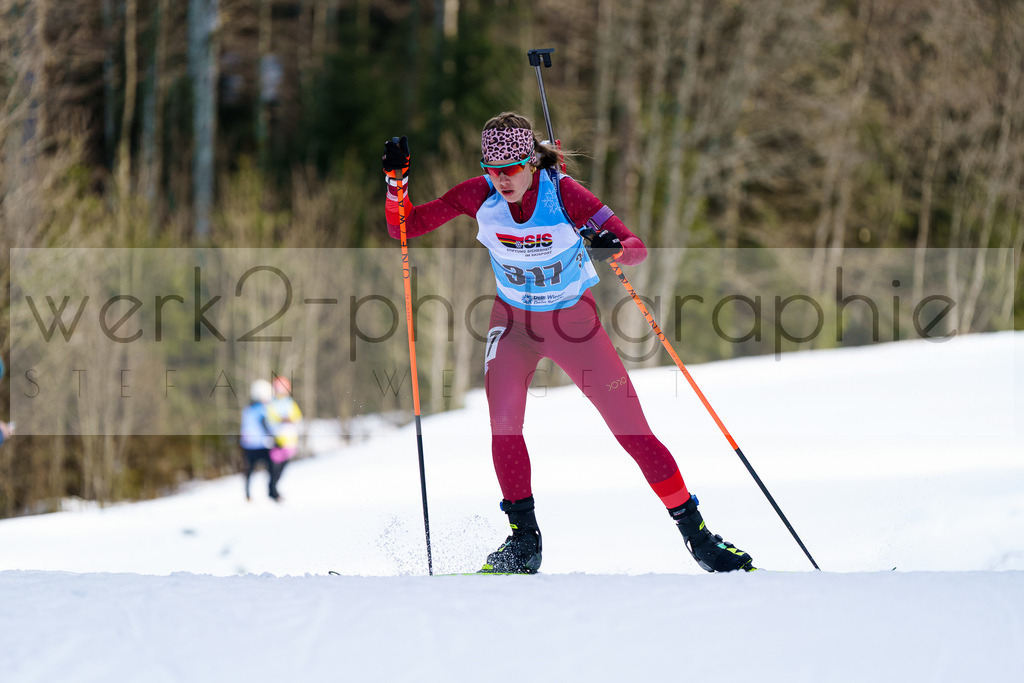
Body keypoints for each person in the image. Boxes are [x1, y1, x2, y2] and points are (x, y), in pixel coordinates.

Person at [382, 113, 755, 574]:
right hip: (512, 324)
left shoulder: (562, 194)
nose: (501, 179)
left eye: (512, 167)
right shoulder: (477, 194)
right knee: (503, 424)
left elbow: (635, 246)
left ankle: (699, 539)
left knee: (632, 431)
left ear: (530, 162)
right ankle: (524, 544)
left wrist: (611, 247)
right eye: (492, 168)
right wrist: (395, 183)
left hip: (572, 326)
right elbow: (405, 227)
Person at [240, 378, 279, 501]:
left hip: (248, 445)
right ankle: (272, 492)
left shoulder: (248, 409)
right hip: (262, 445)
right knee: (272, 469)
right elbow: (265, 424)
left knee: (249, 471)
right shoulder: (262, 409)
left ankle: (247, 494)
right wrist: (273, 437)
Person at [266, 376, 303, 499]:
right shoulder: (272, 404)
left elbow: (298, 417)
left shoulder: (290, 403)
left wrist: (290, 420)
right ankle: (272, 491)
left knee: (281, 470)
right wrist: (281, 420)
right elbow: (270, 420)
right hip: (278, 440)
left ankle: (274, 490)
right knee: (275, 469)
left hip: (290, 442)